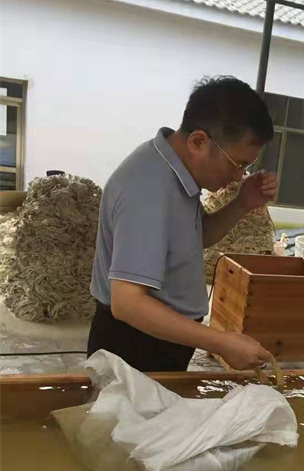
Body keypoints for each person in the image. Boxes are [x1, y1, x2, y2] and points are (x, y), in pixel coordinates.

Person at [88, 76, 277, 372]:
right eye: (236, 164)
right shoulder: (147, 189)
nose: (238, 176)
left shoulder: (175, 173)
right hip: (136, 344)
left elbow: (194, 238)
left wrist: (242, 203)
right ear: (198, 142)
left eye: (246, 167)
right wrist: (221, 342)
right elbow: (128, 304)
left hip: (161, 336)